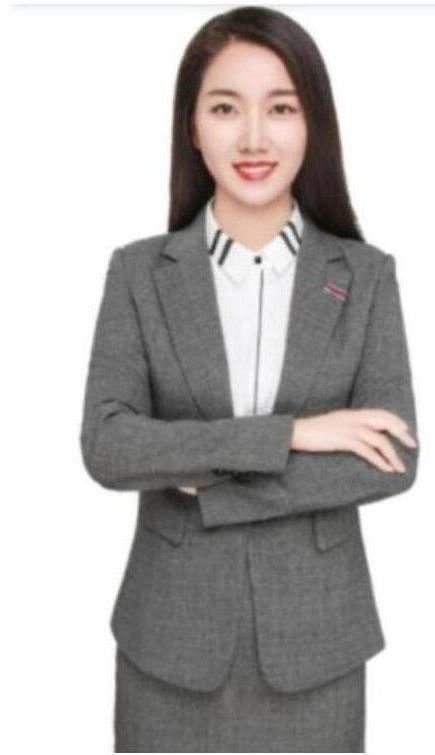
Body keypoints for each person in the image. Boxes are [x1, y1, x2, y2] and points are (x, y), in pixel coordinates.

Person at [79, 5, 419, 752]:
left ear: (313, 124)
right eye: (226, 108)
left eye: (282, 108)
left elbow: (391, 458)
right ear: (192, 128)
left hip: (317, 645)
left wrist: (206, 483)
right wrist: (294, 434)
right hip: (168, 642)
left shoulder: (366, 276)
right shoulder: (138, 272)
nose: (254, 138)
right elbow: (109, 445)